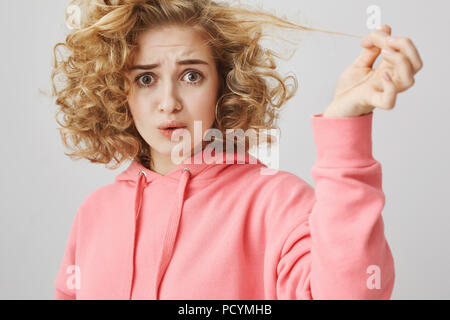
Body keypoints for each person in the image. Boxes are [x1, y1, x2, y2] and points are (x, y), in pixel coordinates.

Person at [51, 0, 422, 300]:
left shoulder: (276, 201)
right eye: (145, 79)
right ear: (119, 92)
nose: (168, 102)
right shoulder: (94, 213)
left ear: (223, 85)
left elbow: (353, 294)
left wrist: (344, 124)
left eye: (191, 75)